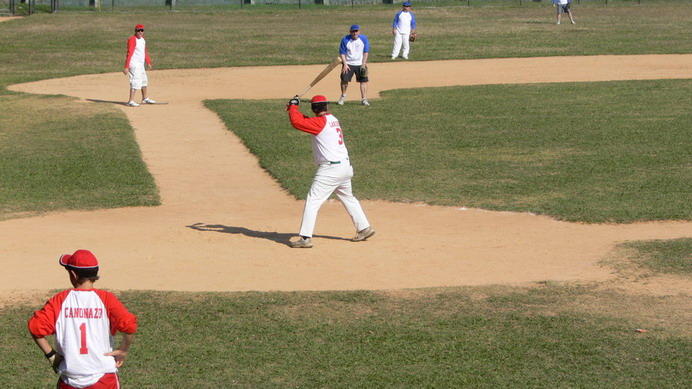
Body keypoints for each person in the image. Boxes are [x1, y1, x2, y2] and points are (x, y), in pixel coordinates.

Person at [28, 250, 138, 389]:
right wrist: (123, 350)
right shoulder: (106, 299)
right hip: (104, 379)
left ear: (73, 274)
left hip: (70, 380)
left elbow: (35, 328)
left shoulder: (59, 300)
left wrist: (51, 355)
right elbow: (130, 326)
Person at [285, 95, 375, 248]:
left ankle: (305, 238)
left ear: (314, 109)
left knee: (312, 201)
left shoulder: (319, 122)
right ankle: (364, 228)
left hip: (330, 170)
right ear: (326, 106)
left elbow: (297, 122)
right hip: (345, 167)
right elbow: (305, 122)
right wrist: (293, 108)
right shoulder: (332, 119)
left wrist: (294, 107)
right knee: (348, 197)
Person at [123, 24, 156, 107]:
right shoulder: (132, 40)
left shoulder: (142, 40)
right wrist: (126, 67)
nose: (140, 32)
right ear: (135, 31)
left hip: (140, 64)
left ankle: (144, 98)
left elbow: (145, 51)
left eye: (142, 30)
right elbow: (129, 53)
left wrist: (148, 62)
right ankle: (130, 101)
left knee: (144, 81)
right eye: (138, 30)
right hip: (134, 64)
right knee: (135, 81)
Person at [337, 24, 370, 106]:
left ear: (359, 31)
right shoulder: (345, 39)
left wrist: (364, 64)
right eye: (353, 31)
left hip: (360, 64)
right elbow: (342, 53)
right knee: (344, 80)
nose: (355, 33)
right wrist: (345, 64)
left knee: (363, 81)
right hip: (348, 64)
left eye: (356, 31)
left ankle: (364, 99)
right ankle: (343, 96)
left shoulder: (363, 39)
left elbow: (366, 52)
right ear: (350, 32)